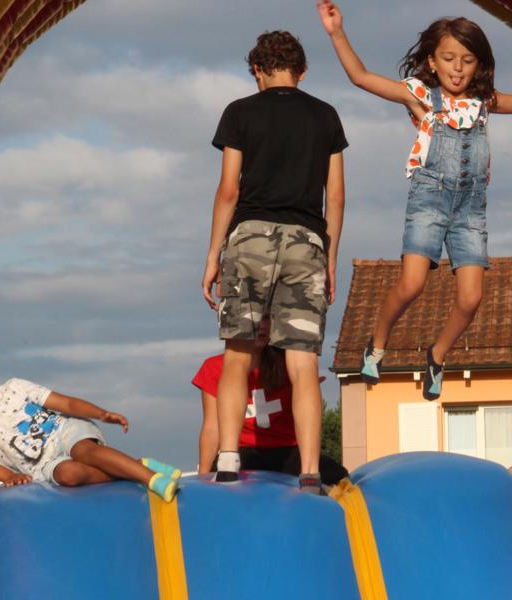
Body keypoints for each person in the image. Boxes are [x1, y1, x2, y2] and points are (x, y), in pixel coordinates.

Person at [317, 1, 512, 400]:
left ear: (478, 64)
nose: (457, 68)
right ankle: (377, 343)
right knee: (412, 283)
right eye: (448, 58)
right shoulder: (421, 96)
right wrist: (336, 32)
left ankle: (437, 355)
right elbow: (362, 77)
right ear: (432, 61)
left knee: (471, 299)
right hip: (429, 199)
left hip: (470, 209)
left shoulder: (485, 103)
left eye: (467, 60)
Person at [201, 29, 347, 493]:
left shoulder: (240, 112)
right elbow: (336, 197)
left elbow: (229, 190)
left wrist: (212, 256)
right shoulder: (325, 116)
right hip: (307, 240)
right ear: (301, 72)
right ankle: (308, 472)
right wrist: (330, 258)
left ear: (257, 71)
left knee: (238, 354)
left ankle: (227, 463)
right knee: (303, 362)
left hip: (250, 238)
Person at [0, 335, 180, 502]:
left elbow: (66, 403)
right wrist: (7, 476)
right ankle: (137, 465)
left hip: (62, 432)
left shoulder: (16, 388)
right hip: (39, 465)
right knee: (70, 475)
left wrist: (101, 414)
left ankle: (151, 480)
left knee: (85, 451)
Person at [193, 319, 349, 486]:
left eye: (267, 319)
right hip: (244, 452)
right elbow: (211, 427)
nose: (262, 326)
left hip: (287, 451)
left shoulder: (291, 365)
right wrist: (203, 476)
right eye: (257, 318)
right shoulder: (214, 367)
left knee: (338, 475)